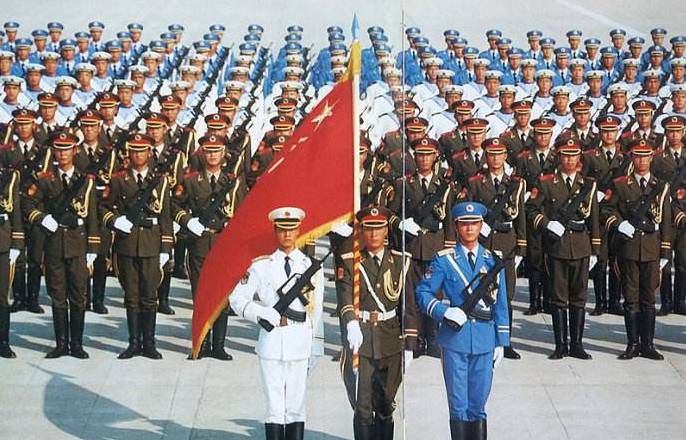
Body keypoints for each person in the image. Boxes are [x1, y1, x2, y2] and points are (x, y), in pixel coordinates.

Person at [415, 201, 509, 440]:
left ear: (481, 225)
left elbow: (501, 302)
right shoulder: (444, 260)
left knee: (478, 404)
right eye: (464, 224)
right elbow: (423, 293)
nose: (469, 228)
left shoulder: (492, 260)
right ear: (456, 227)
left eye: (474, 223)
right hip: (455, 340)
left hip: (485, 339)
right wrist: (443, 312)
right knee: (458, 405)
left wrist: (501, 341)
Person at [230, 207, 324, 440]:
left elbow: (317, 310)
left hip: (300, 341)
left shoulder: (311, 266)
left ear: (299, 230)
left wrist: (317, 346)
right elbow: (237, 299)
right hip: (272, 343)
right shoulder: (261, 266)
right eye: (282, 229)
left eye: (292, 229)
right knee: (274, 408)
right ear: (275, 230)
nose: (287, 235)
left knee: (296, 408)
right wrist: (262, 313)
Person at [337, 205, 417, 439]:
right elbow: (344, 295)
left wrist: (410, 343)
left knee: (385, 405)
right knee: (363, 406)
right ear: (361, 231)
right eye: (368, 229)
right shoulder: (351, 261)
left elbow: (408, 305)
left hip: (390, 339)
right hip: (361, 339)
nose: (373, 234)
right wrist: (350, 322)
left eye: (379, 228)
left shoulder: (400, 261)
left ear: (386, 231)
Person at [22, 131, 99, 359]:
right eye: (58, 149)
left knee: (78, 295)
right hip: (54, 244)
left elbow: (92, 216)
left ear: (75, 151)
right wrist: (41, 218)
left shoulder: (85, 181)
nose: (62, 153)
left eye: (67, 149)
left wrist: (93, 248)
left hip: (77, 244)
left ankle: (76, 344)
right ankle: (61, 344)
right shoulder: (45, 179)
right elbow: (27, 204)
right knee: (57, 294)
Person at [100, 133, 174, 360]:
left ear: (149, 153)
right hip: (127, 244)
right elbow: (103, 207)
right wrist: (115, 221)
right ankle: (133, 343)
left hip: (151, 244)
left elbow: (165, 216)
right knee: (131, 295)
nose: (138, 155)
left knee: (150, 296)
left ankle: (149, 343)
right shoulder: (118, 179)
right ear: (129, 153)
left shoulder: (160, 180)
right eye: (134, 151)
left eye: (142, 151)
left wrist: (166, 248)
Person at [602, 139, 670, 361]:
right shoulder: (620, 184)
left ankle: (648, 345)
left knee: (648, 299)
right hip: (629, 248)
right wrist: (619, 223)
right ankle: (632, 344)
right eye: (638, 156)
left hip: (651, 248)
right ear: (632, 158)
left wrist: (665, 253)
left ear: (651, 158)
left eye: (645, 156)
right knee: (631, 298)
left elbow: (666, 221)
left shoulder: (661, 186)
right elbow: (606, 210)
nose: (642, 160)